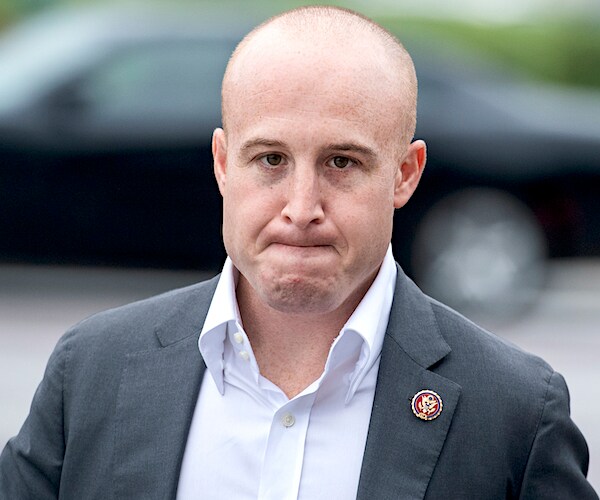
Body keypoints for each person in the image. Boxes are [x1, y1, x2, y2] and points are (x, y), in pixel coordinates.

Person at [0, 5, 597, 499]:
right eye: (271, 159)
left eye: (341, 162)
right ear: (222, 164)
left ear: (404, 174)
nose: (301, 206)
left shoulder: (516, 413)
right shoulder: (90, 373)